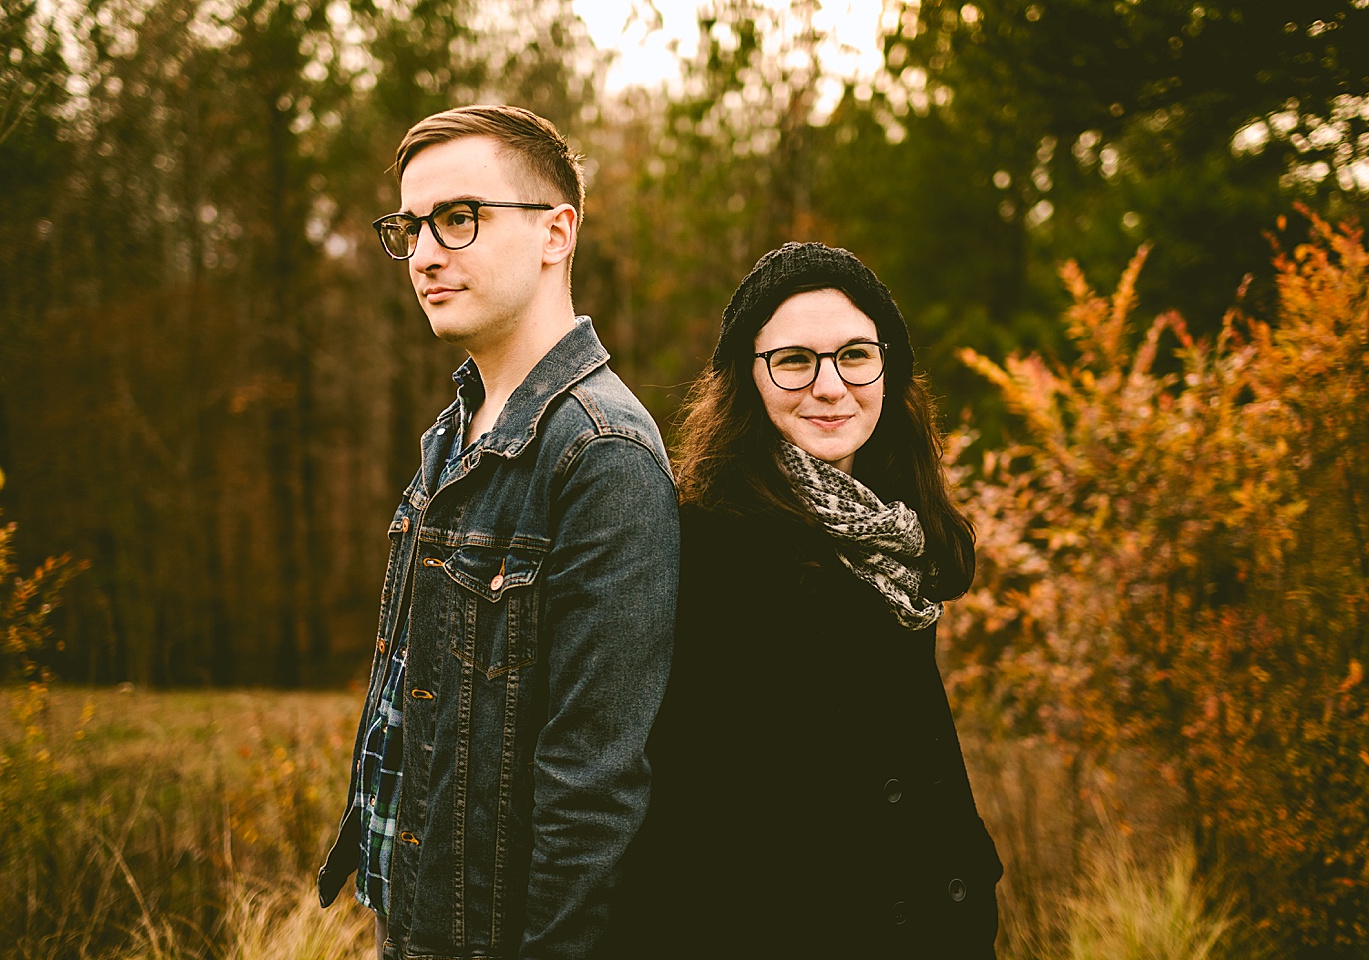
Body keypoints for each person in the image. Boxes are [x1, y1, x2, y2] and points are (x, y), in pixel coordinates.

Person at [317, 104, 679, 960]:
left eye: (458, 218)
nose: (426, 254)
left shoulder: (602, 454)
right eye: (410, 227)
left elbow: (592, 794)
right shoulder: (456, 433)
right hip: (413, 925)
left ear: (557, 233)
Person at [607, 242, 1002, 957]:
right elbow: (680, 814)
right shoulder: (700, 548)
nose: (830, 386)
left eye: (855, 354)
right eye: (794, 360)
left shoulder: (900, 534)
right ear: (747, 380)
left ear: (889, 368)